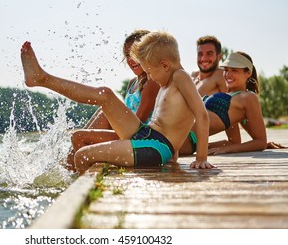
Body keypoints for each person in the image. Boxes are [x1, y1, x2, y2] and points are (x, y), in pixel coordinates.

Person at [20, 31, 214, 174]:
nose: (149, 77)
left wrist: (201, 159)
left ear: (164, 65)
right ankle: (42, 78)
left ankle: (76, 199)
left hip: (156, 146)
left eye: (149, 72)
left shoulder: (181, 77)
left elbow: (201, 115)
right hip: (146, 134)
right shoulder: (167, 80)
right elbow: (174, 120)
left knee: (82, 155)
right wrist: (174, 158)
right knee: (105, 94)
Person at [67, 30, 160, 171]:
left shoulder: (151, 82)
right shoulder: (132, 84)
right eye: (127, 55)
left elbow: (138, 123)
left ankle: (74, 175)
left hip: (140, 139)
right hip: (127, 134)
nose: (130, 59)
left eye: (136, 53)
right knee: (101, 112)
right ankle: (70, 169)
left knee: (79, 137)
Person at [180, 51, 268, 155]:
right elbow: (234, 141)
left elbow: (261, 142)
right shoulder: (230, 96)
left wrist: (226, 149)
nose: (227, 74)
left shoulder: (248, 97)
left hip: (184, 139)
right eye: (226, 70)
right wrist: (207, 146)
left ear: (248, 73)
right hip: (180, 134)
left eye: (234, 70)